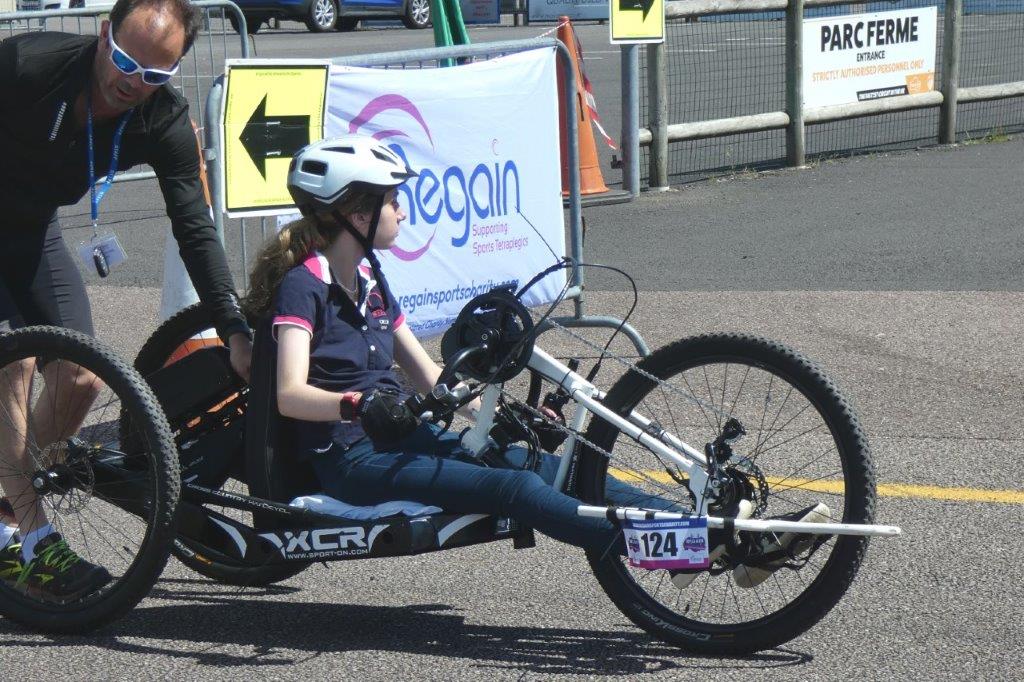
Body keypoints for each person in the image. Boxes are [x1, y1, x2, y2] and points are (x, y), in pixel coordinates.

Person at [243, 135, 673, 557]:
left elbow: (432, 379)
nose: (402, 212)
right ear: (359, 216)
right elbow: (289, 395)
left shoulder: (370, 280)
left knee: (546, 465)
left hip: (407, 437)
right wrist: (358, 404)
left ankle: (697, 524)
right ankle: (677, 548)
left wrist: (509, 416)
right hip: (353, 459)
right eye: (392, 201)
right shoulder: (304, 286)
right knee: (515, 487)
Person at [0, 0, 253, 599]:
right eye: (121, 59)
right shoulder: (24, 65)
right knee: (14, 363)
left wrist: (236, 328)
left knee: (83, 378)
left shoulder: (162, 118)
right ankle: (30, 542)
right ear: (103, 35)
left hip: (32, 229)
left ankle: (6, 513)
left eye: (153, 74)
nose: (129, 81)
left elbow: (195, 228)